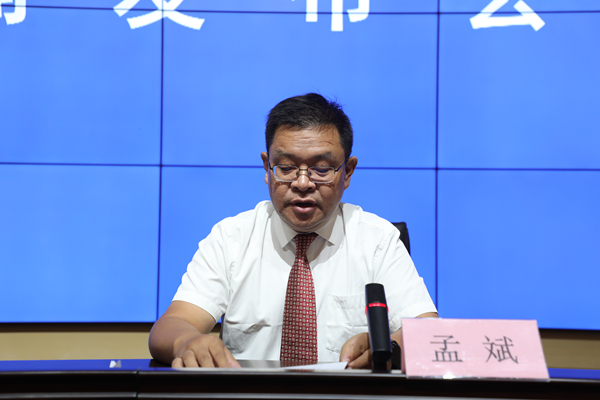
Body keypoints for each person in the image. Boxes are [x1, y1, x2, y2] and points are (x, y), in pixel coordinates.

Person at [148, 93, 438, 369]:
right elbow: (172, 325)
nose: (302, 183)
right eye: (286, 167)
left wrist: (388, 347)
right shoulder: (231, 238)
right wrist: (186, 342)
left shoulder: (377, 241)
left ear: (347, 172)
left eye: (321, 169)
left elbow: (428, 332)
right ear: (267, 167)